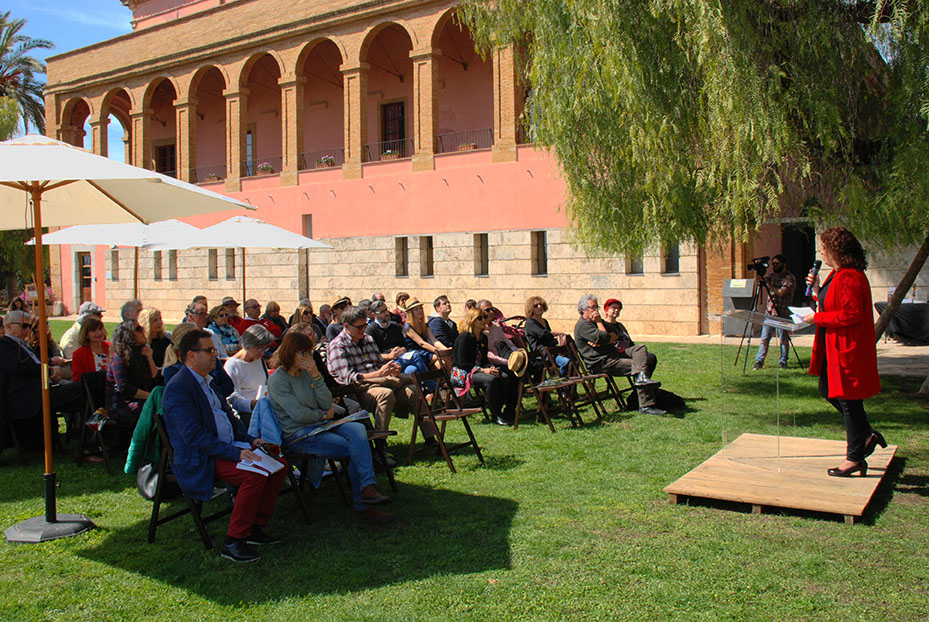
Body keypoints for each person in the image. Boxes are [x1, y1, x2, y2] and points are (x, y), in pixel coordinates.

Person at [162, 328, 287, 562]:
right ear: (190, 355)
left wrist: (250, 441)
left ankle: (253, 527)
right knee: (255, 476)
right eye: (209, 350)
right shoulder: (179, 388)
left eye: (214, 349)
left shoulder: (207, 382)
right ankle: (234, 540)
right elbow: (194, 437)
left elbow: (229, 418)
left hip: (228, 447)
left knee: (279, 465)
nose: (215, 355)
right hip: (204, 457)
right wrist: (235, 453)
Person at [268, 331, 394, 524]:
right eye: (304, 354)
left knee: (357, 430)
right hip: (300, 435)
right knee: (356, 449)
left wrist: (317, 376)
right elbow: (298, 415)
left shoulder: (307, 374)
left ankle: (367, 487)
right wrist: (321, 414)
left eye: (310, 353)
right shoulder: (278, 380)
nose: (308, 359)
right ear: (291, 353)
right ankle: (363, 504)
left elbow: (326, 401)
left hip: (320, 425)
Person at [802, 227, 885, 477]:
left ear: (837, 250)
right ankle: (868, 434)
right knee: (827, 390)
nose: (823, 253)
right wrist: (817, 290)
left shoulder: (851, 277)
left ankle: (854, 458)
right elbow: (832, 303)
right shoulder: (836, 275)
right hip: (834, 347)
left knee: (849, 402)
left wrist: (817, 318)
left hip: (847, 349)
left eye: (826, 248)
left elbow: (851, 314)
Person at [326, 305, 419, 432]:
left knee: (413, 389)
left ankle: (431, 437)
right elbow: (348, 378)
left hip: (380, 382)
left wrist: (391, 370)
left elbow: (379, 363)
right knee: (385, 394)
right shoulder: (337, 346)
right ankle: (381, 441)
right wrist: (380, 373)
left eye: (364, 325)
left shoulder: (368, 339)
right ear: (346, 326)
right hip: (357, 391)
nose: (363, 329)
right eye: (359, 327)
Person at [0, 311, 83, 447]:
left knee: (86, 387)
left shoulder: (22, 345)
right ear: (9, 325)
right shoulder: (4, 345)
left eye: (30, 327)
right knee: (84, 387)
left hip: (44, 388)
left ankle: (87, 434)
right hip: (30, 396)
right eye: (24, 326)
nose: (28, 330)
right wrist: (49, 370)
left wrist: (50, 362)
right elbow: (19, 367)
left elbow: (33, 364)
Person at [573, 294, 665, 415]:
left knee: (641, 349)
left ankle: (641, 381)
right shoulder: (584, 325)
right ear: (583, 310)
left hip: (614, 354)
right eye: (592, 307)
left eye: (597, 307)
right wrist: (601, 324)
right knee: (643, 364)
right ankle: (645, 405)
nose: (596, 310)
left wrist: (607, 338)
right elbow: (605, 337)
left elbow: (616, 331)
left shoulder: (595, 322)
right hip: (602, 362)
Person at [452, 307, 519, 426]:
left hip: (478, 370)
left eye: (484, 317)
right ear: (472, 320)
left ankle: (509, 410)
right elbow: (462, 363)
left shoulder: (482, 338)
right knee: (491, 380)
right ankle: (496, 414)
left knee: (506, 375)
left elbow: (483, 360)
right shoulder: (464, 337)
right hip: (462, 373)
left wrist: (491, 368)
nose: (484, 320)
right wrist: (483, 370)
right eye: (480, 318)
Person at [105, 319, 161, 449]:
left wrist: (149, 358)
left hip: (139, 400)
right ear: (128, 334)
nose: (143, 331)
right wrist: (150, 396)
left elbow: (153, 377)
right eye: (138, 329)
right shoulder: (119, 356)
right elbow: (123, 388)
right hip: (121, 404)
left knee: (159, 407)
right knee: (154, 409)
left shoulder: (141, 352)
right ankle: (145, 449)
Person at [164, 323, 235, 398]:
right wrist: (209, 393)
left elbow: (229, 385)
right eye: (197, 335)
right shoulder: (173, 372)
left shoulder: (211, 360)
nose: (215, 354)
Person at [753, 254, 797, 370]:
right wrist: (759, 272)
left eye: (777, 263)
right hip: (770, 312)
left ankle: (783, 360)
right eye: (773, 264)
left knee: (783, 339)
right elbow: (759, 282)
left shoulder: (789, 278)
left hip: (783, 313)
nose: (774, 266)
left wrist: (769, 286)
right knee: (764, 338)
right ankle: (759, 361)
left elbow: (781, 292)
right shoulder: (771, 276)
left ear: (784, 264)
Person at [224, 325, 274, 419]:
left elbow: (267, 382)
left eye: (265, 348)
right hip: (248, 414)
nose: (262, 352)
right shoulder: (233, 365)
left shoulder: (259, 360)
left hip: (264, 408)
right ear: (248, 345)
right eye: (259, 348)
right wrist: (252, 404)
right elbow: (232, 398)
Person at [524, 296, 570, 376]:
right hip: (542, 355)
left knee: (572, 357)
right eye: (536, 306)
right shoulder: (530, 323)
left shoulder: (544, 321)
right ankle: (562, 382)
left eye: (541, 304)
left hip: (551, 351)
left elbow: (549, 339)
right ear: (530, 308)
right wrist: (559, 333)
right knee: (565, 362)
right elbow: (544, 334)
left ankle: (571, 385)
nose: (539, 307)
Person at [402, 298, 451, 368]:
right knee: (444, 358)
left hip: (427, 352)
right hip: (417, 354)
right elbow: (421, 343)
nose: (420, 311)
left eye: (420, 308)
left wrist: (445, 349)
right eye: (416, 309)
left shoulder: (424, 325)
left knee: (443, 362)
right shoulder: (407, 327)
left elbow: (434, 341)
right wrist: (438, 351)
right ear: (411, 312)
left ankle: (450, 378)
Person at [71, 317, 110, 383]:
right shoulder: (78, 354)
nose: (99, 333)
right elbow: (77, 379)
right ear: (86, 334)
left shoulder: (111, 347)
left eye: (100, 329)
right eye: (93, 331)